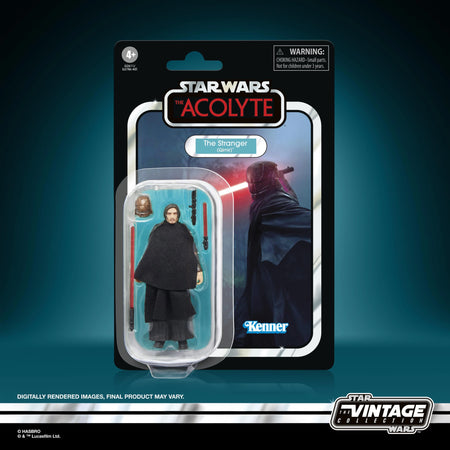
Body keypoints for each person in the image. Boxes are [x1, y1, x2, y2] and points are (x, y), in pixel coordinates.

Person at [234, 161, 312, 348]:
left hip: (277, 263)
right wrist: (282, 182)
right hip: (271, 264)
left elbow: (292, 204)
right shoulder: (269, 203)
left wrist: (282, 180)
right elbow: (291, 203)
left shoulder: (268, 203)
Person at [134, 203, 203, 350]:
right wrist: (141, 272)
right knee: (159, 308)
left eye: (174, 213)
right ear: (165, 214)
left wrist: (198, 270)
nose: (172, 216)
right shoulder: (158, 230)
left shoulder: (183, 231)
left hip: (179, 278)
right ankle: (159, 338)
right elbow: (150, 252)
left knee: (180, 309)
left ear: (178, 215)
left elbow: (192, 251)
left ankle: (181, 338)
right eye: (169, 213)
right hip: (159, 278)